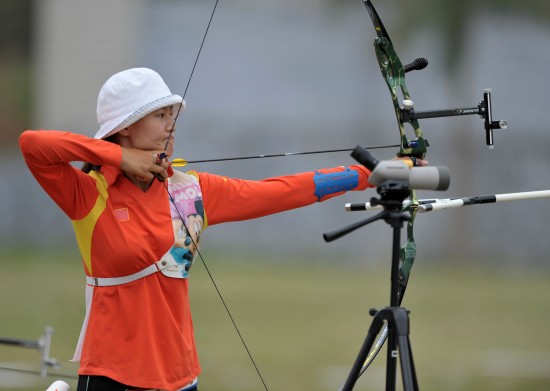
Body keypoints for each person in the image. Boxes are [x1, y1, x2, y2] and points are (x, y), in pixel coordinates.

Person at [19, 68, 424, 391]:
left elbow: (280, 191)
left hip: (179, 376)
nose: (170, 126)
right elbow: (33, 143)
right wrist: (117, 157)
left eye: (171, 115)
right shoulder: (90, 194)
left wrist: (369, 174)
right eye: (159, 115)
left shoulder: (191, 191)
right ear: (125, 127)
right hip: (112, 375)